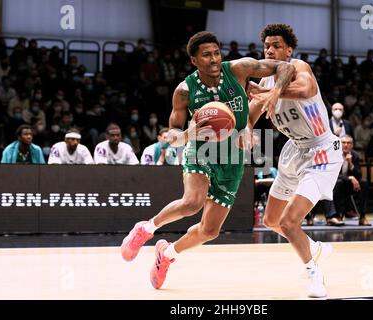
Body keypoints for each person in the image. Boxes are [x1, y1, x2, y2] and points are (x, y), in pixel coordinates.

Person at [121, 31, 295, 290]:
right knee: (192, 203)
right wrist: (189, 133)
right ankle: (146, 228)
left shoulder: (238, 69)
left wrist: (273, 94)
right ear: (194, 61)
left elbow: (284, 67)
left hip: (233, 156)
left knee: (210, 230)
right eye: (206, 55)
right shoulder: (184, 91)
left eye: (216, 52)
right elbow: (172, 135)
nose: (214, 59)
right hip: (201, 149)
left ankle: (166, 255)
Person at [245, 24, 343, 298]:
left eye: (276, 45)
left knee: (289, 222)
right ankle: (313, 247)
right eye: (266, 46)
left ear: (289, 50)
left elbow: (304, 89)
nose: (270, 50)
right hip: (294, 150)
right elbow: (250, 117)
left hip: (322, 149)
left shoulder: (299, 67)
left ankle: (315, 274)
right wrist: (246, 131)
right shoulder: (264, 82)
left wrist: (274, 93)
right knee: (271, 219)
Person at [329, 135, 370, 226]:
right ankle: (337, 215)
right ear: (339, 144)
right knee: (339, 183)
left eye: (348, 143)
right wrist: (349, 178)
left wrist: (350, 163)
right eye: (343, 143)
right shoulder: (334, 155)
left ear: (352, 145)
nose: (346, 145)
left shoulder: (355, 155)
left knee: (364, 183)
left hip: (349, 185)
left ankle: (362, 217)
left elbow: (359, 175)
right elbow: (332, 175)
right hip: (336, 184)